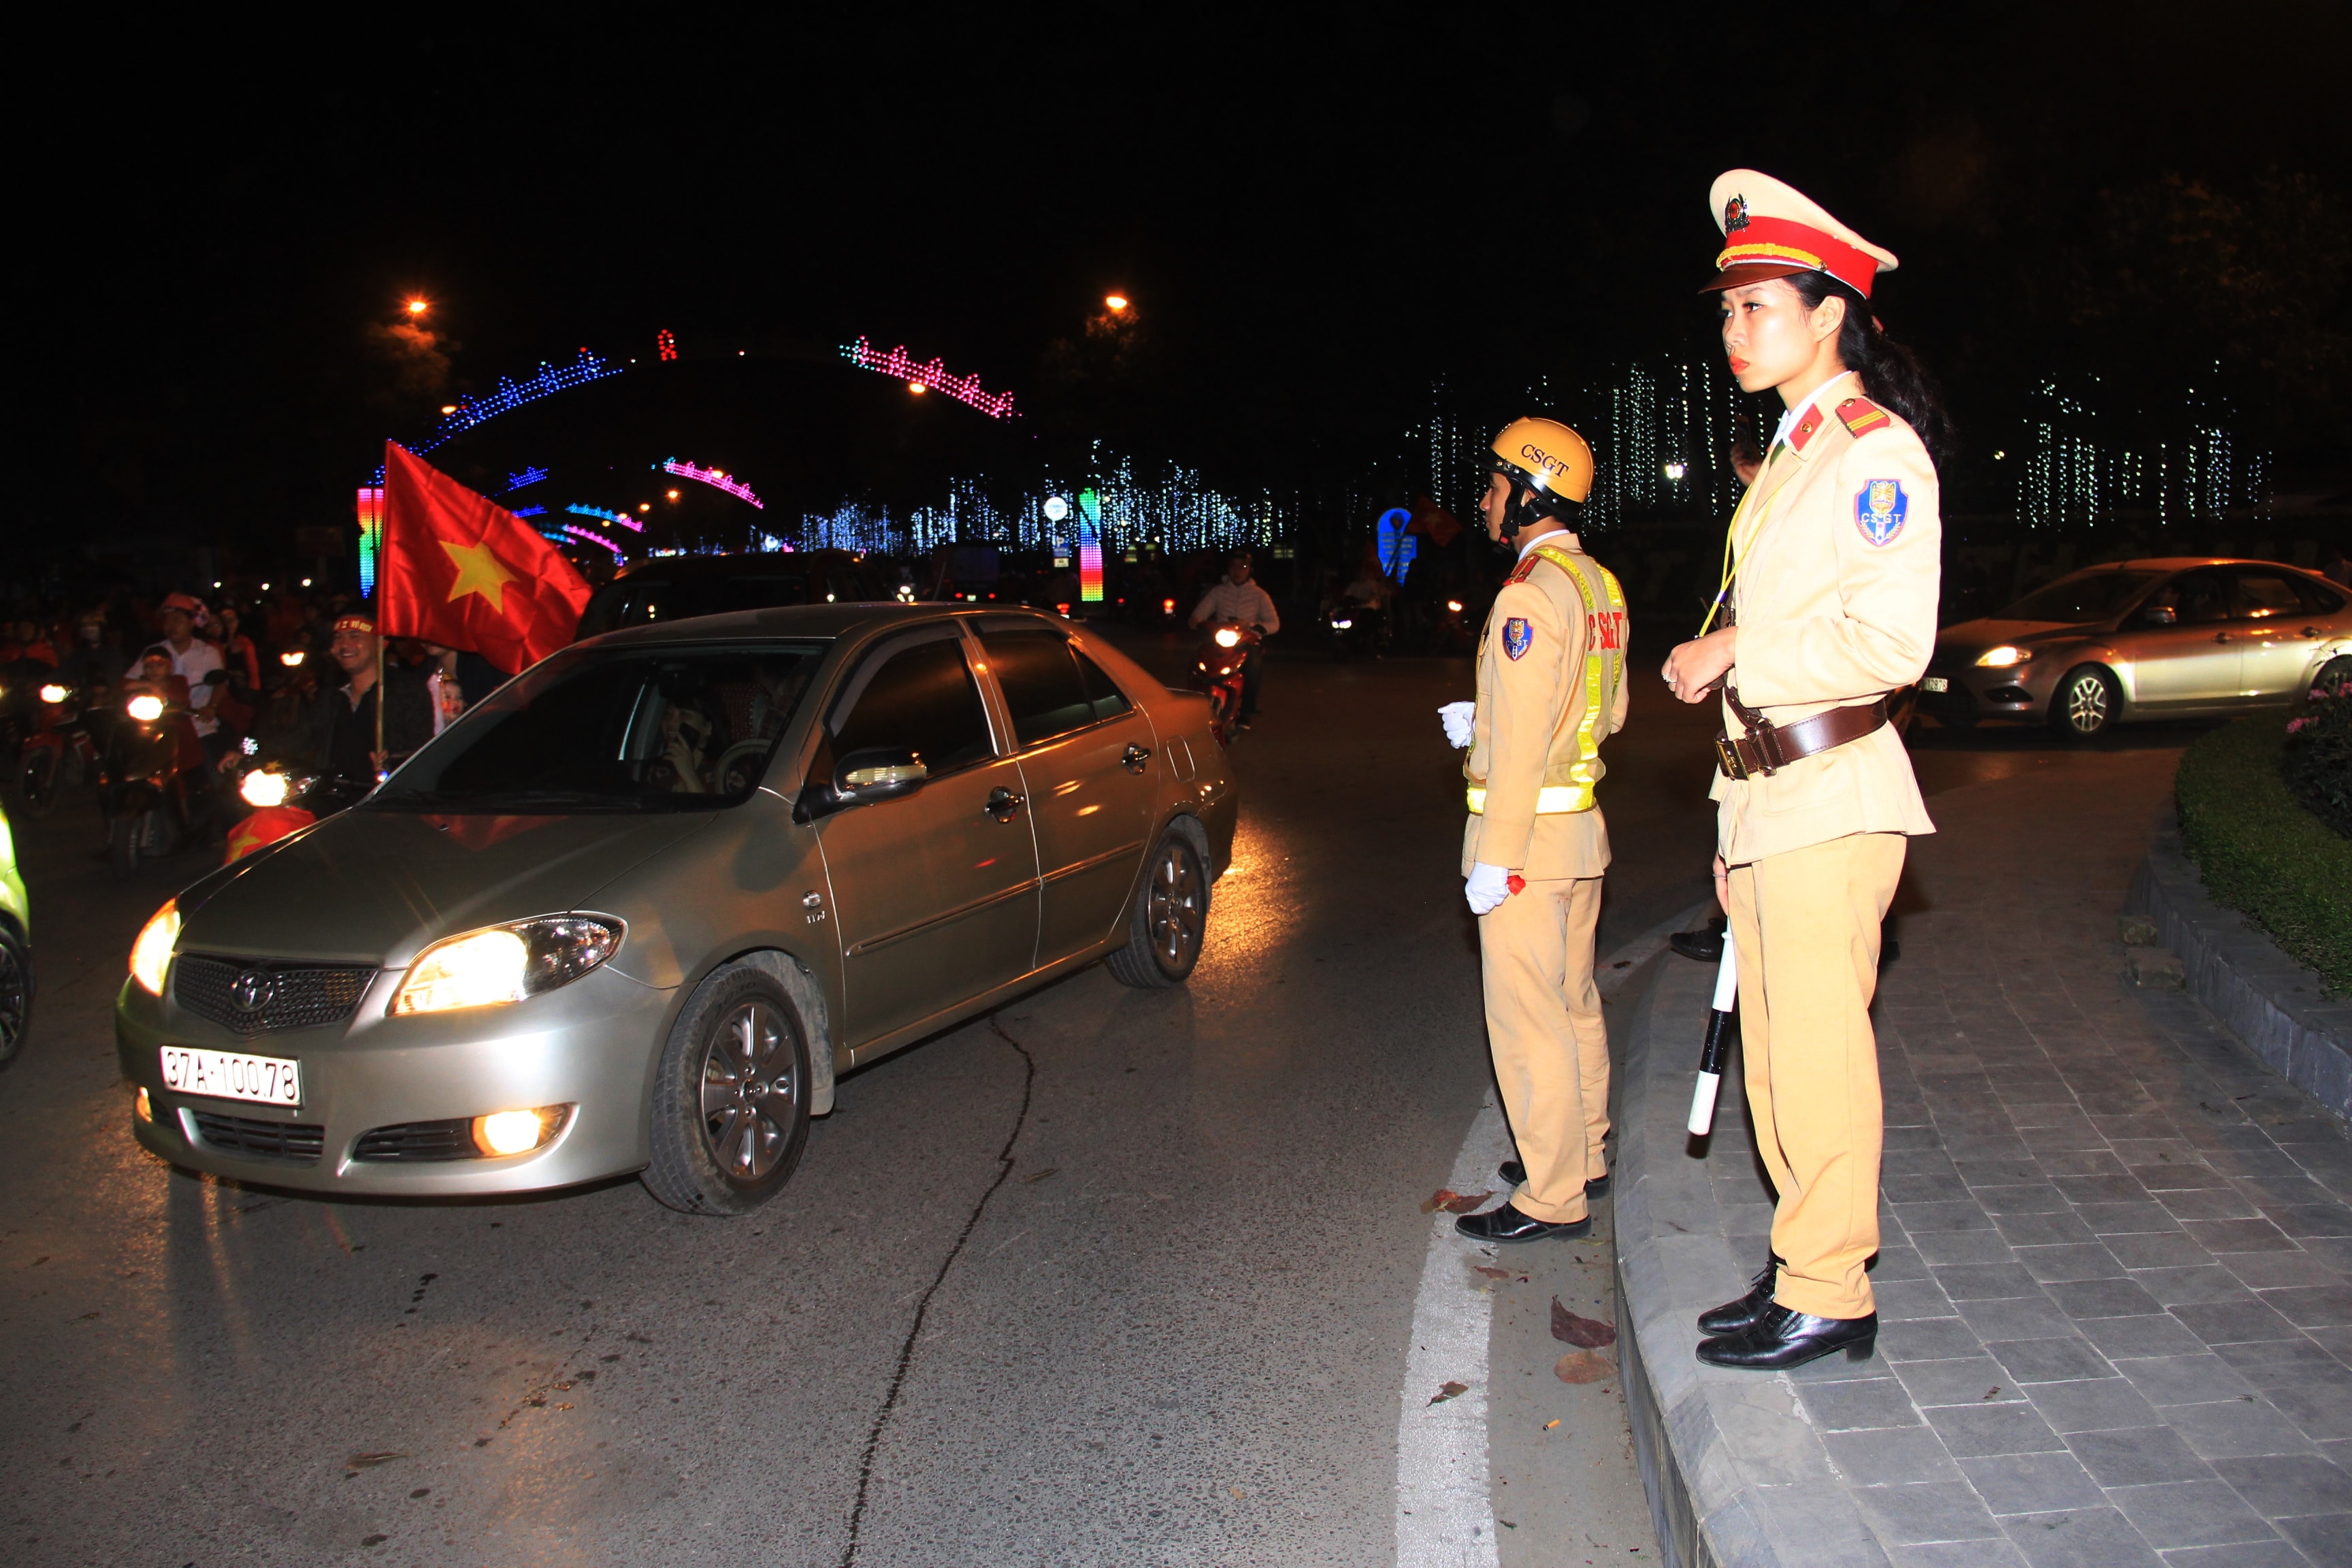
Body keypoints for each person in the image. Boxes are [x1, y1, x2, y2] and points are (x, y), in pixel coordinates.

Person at [1661, 170, 1946, 1371]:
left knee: (1819, 1053)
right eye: (1726, 312)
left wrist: (1736, 643)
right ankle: (1800, 1268)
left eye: (1758, 305)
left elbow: (1891, 643)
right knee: (1775, 1056)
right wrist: (1729, 831)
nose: (1735, 330)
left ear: (1829, 312)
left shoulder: (1873, 456)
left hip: (1835, 795)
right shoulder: (1788, 458)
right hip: (1774, 798)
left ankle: (1832, 1286)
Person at [1443, 419, 1629, 1244]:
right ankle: (1583, 1152)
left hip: (1527, 850)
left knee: (1528, 1022)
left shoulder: (1525, 595)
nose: (1486, 500)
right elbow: (1602, 712)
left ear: (1528, 493)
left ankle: (1553, 1196)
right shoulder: (1598, 586)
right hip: (1580, 835)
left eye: (1494, 486)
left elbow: (1522, 748)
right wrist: (1484, 722)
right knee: (1573, 1001)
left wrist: (1497, 857)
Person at [323, 614, 434, 780]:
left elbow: (421, 748)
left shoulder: (406, 689)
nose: (344, 645)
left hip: (386, 798)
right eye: (338, 638)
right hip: (334, 798)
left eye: (355, 636)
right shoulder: (331, 695)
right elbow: (304, 738)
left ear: (381, 644)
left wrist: (392, 762)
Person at [128, 592, 228, 766]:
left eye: (177, 620)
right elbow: (128, 681)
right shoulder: (154, 652)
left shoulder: (208, 653)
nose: (171, 626)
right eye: (167, 621)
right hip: (158, 725)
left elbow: (220, 683)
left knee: (215, 773)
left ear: (191, 623)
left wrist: (211, 706)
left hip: (199, 725)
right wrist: (145, 684)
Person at [1188, 551, 1279, 726]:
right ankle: (1195, 703)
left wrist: (1254, 626)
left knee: (1253, 665)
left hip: (1246, 642)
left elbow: (1274, 623)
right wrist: (1197, 622)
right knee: (1197, 662)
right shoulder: (1218, 592)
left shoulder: (1260, 595)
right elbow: (1198, 615)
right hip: (1220, 640)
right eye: (1234, 566)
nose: (1238, 571)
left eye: (1243, 567)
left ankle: (1247, 711)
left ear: (1250, 570)